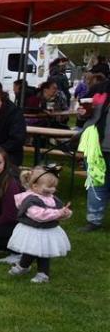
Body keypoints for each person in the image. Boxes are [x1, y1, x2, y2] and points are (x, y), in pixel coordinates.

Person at [5, 165, 72, 283]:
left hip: (48, 231)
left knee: (44, 252)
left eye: (54, 187)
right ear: (35, 186)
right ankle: (23, 266)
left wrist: (65, 213)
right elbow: (39, 215)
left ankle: (43, 273)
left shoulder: (52, 198)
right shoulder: (30, 199)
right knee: (31, 249)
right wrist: (58, 213)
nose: (52, 190)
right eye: (49, 187)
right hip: (33, 230)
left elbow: (60, 209)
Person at [73, 80, 109, 231]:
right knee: (96, 183)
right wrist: (82, 113)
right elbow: (85, 114)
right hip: (95, 143)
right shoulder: (100, 89)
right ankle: (94, 220)